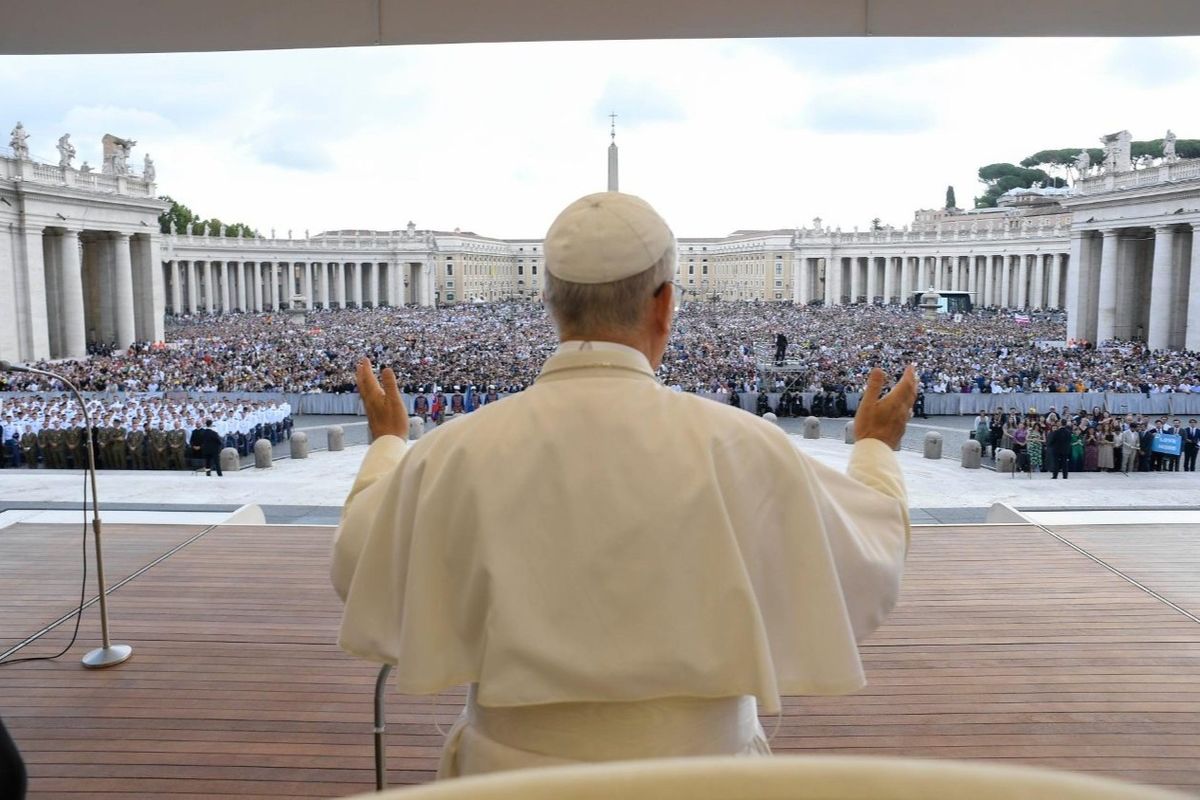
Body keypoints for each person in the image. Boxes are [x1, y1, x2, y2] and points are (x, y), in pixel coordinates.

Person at [332, 191, 917, 779]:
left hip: (508, 776)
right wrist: (874, 449)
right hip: (702, 779)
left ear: (550, 305)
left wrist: (387, 443)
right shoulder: (745, 446)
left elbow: (358, 560)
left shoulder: (451, 451)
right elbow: (868, 568)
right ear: (664, 305)